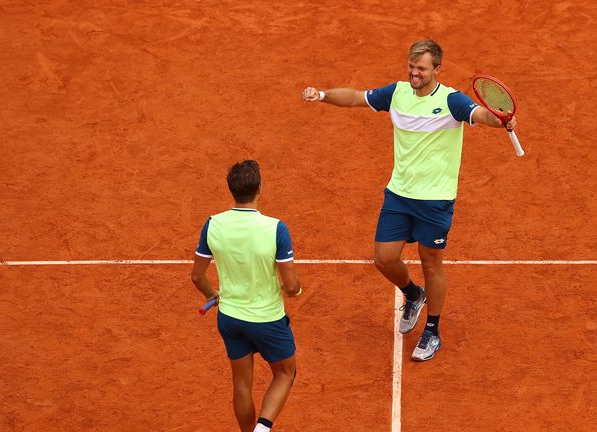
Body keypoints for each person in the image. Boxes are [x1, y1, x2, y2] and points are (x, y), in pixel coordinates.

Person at [301, 39, 516, 362]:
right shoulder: (397, 93)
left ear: (437, 70)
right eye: (412, 67)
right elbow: (358, 97)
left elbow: (479, 114)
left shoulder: (450, 100)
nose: (415, 73)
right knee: (384, 258)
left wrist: (499, 119)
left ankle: (432, 330)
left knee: (431, 263)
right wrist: (322, 95)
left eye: (422, 68)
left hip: (435, 200)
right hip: (399, 194)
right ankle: (414, 295)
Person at [190, 160, 302, 432]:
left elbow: (197, 276)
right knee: (286, 373)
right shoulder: (276, 228)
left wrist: (211, 293)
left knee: (241, 383)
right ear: (259, 189)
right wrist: (296, 291)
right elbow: (290, 284)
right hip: (267, 319)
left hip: (229, 318)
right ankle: (261, 429)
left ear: (232, 191)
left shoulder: (213, 224)